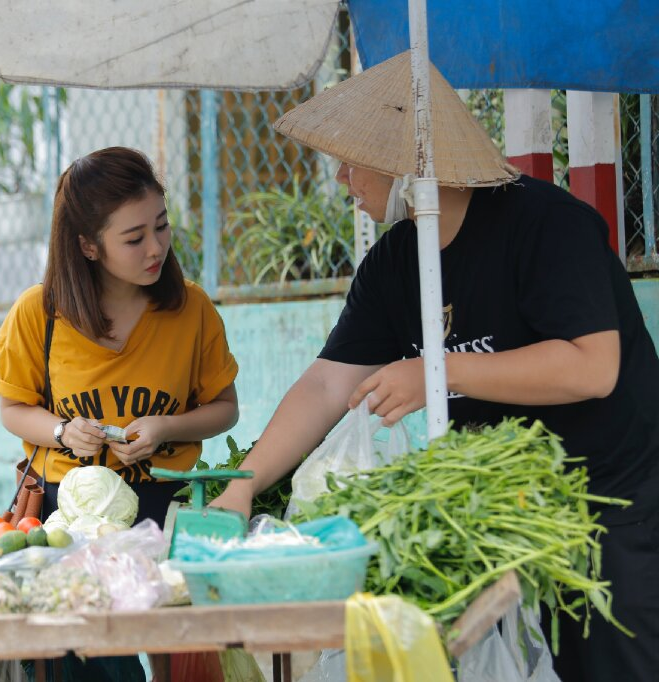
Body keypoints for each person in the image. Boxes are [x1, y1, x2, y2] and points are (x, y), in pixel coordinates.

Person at [212, 51, 659, 682]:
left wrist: (438, 371)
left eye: (351, 159)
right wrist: (242, 486)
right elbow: (326, 383)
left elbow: (593, 367)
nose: (341, 177)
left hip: (610, 499)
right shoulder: (396, 263)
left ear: (405, 163)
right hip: (507, 512)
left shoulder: (546, 227)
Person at [0, 145, 240, 531]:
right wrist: (63, 432)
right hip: (67, 512)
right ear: (88, 245)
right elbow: (13, 409)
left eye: (161, 225)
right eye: (134, 238)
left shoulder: (192, 307)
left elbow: (225, 408)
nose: (156, 248)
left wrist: (167, 428)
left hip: (169, 506)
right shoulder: (38, 311)